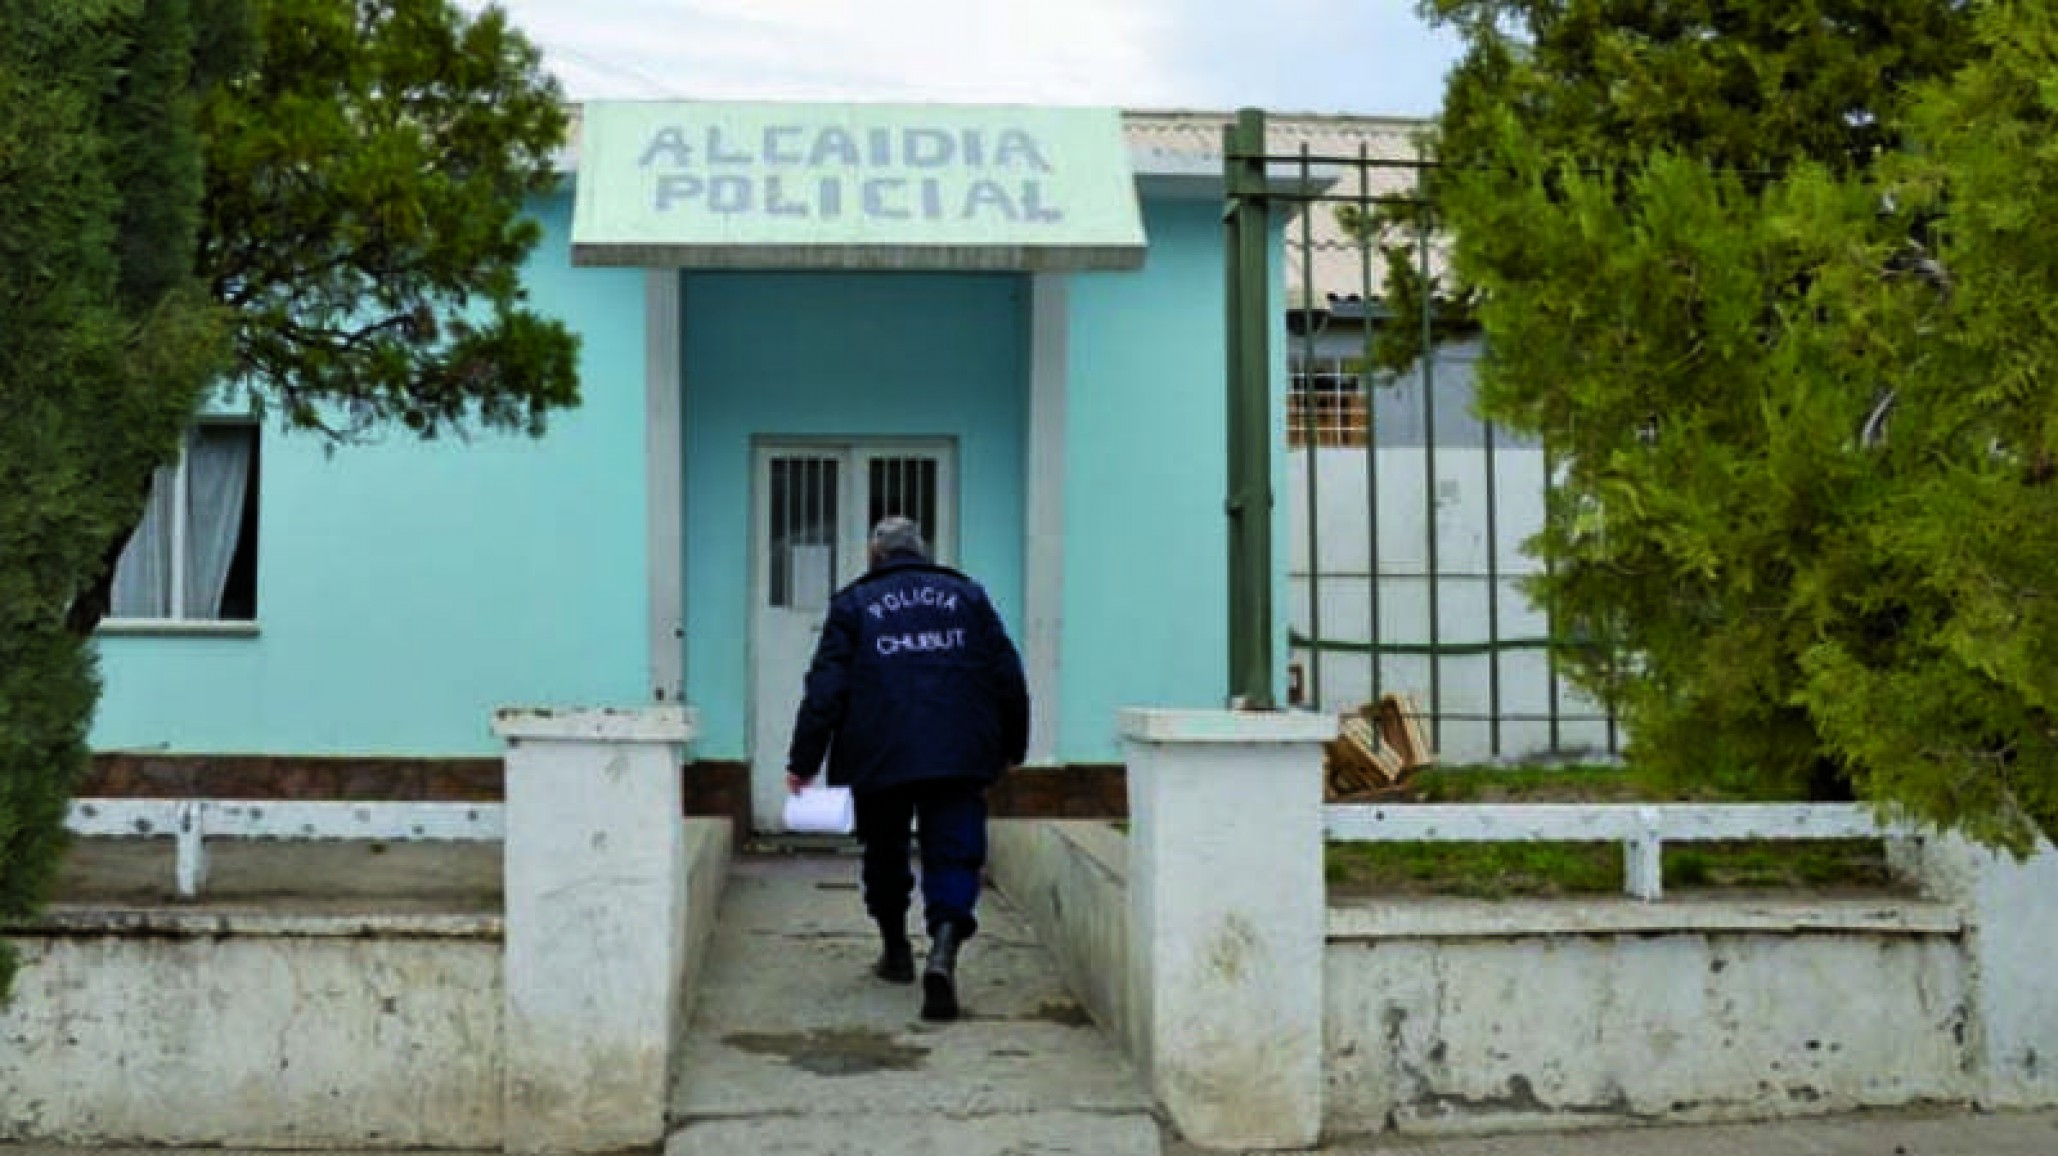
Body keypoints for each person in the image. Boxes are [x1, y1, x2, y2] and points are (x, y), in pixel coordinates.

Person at [786, 516, 1030, 1022]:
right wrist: (1014, 744)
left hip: (879, 751)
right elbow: (1008, 674)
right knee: (955, 853)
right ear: (922, 551)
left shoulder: (854, 603)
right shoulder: (968, 597)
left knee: (885, 850)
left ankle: (897, 951)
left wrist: (803, 761)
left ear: (876, 553)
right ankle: (943, 951)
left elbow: (825, 690)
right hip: (958, 750)